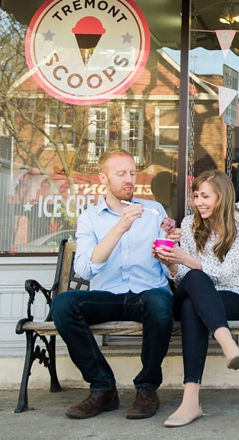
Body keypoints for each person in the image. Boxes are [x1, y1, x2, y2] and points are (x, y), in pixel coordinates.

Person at [50, 149, 179, 420]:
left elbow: (171, 269)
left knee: (160, 301)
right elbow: (85, 268)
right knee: (62, 304)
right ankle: (102, 388)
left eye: (132, 173)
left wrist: (170, 249)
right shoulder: (90, 218)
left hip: (146, 294)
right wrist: (120, 227)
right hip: (106, 296)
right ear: (103, 178)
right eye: (121, 174)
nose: (129, 179)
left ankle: (147, 389)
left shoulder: (154, 211)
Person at [154, 170, 239, 428]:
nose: (199, 202)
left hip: (235, 297)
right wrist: (171, 265)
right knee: (196, 283)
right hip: (198, 295)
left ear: (222, 197)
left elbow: (226, 272)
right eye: (196, 195)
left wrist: (187, 261)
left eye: (205, 196)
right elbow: (183, 280)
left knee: (192, 304)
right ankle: (227, 344)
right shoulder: (190, 224)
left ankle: (191, 402)